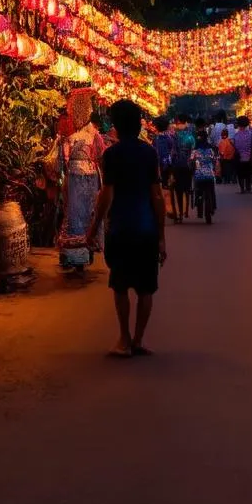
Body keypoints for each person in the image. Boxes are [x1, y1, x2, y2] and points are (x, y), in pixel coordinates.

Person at [89, 99, 166, 357]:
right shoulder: (149, 153)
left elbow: (106, 196)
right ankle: (139, 339)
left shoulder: (111, 155)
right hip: (146, 228)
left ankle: (124, 337)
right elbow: (157, 196)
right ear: (138, 124)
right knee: (146, 287)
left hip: (120, 228)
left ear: (116, 127)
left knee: (120, 285)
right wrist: (161, 236)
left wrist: (93, 229)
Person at [58, 108, 106, 274]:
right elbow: (101, 157)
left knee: (73, 215)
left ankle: (73, 256)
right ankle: (83, 254)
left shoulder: (68, 136)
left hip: (73, 179)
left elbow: (61, 162)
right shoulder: (94, 135)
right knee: (87, 214)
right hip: (89, 179)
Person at [170, 114, 196, 219]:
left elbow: (172, 152)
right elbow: (193, 151)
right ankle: (186, 211)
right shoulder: (191, 136)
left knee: (178, 190)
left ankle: (180, 213)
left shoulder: (174, 136)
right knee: (187, 188)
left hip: (177, 166)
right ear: (186, 124)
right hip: (188, 166)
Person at [189, 132, 218, 221]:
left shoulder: (195, 151)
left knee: (198, 192)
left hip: (198, 176)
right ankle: (212, 207)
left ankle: (198, 205)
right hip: (209, 175)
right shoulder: (210, 150)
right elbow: (214, 159)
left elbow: (191, 161)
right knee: (212, 191)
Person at [152, 116, 175, 213]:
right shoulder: (169, 137)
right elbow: (171, 149)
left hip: (158, 164)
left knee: (160, 184)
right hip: (168, 163)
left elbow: (154, 151)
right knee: (167, 184)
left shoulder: (156, 139)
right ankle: (169, 207)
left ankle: (163, 206)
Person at [232, 116, 252, 193]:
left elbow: (235, 147)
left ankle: (242, 189)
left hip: (240, 158)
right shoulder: (251, 134)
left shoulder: (236, 136)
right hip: (249, 157)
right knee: (248, 173)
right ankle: (248, 188)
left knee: (240, 174)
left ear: (238, 124)